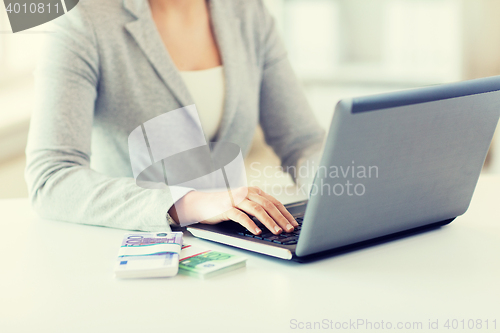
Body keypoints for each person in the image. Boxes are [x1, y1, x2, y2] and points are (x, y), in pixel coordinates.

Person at [25, 0, 324, 236]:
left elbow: (304, 141)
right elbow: (51, 176)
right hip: (134, 254)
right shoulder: (82, 19)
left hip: (239, 247)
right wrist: (187, 204)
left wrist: (342, 192)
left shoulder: (248, 11)